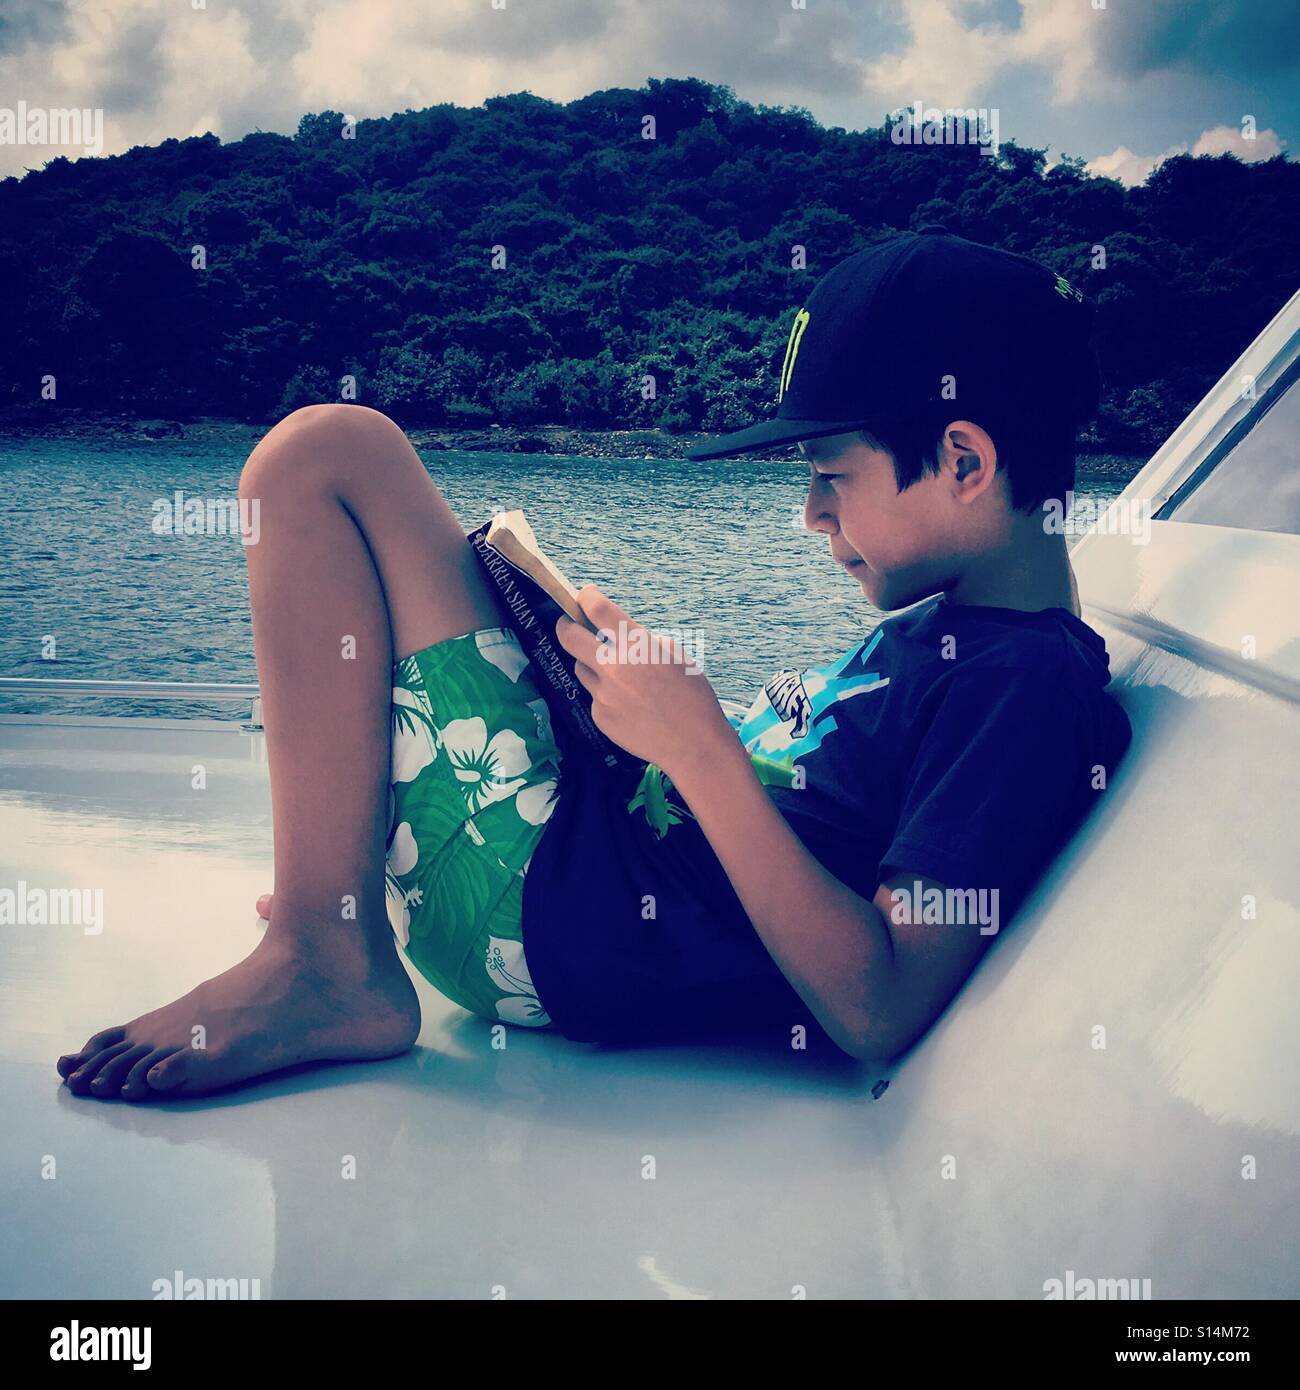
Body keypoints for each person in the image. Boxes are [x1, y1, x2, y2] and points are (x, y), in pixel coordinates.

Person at [56, 226, 1130, 1099]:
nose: (809, 516)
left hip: (553, 913)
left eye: (830, 477)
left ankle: (323, 956)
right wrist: (634, 714)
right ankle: (325, 900)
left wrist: (698, 745)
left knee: (325, 456)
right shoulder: (965, 632)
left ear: (962, 460)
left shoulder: (1024, 687)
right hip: (581, 848)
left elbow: (879, 1003)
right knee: (348, 471)